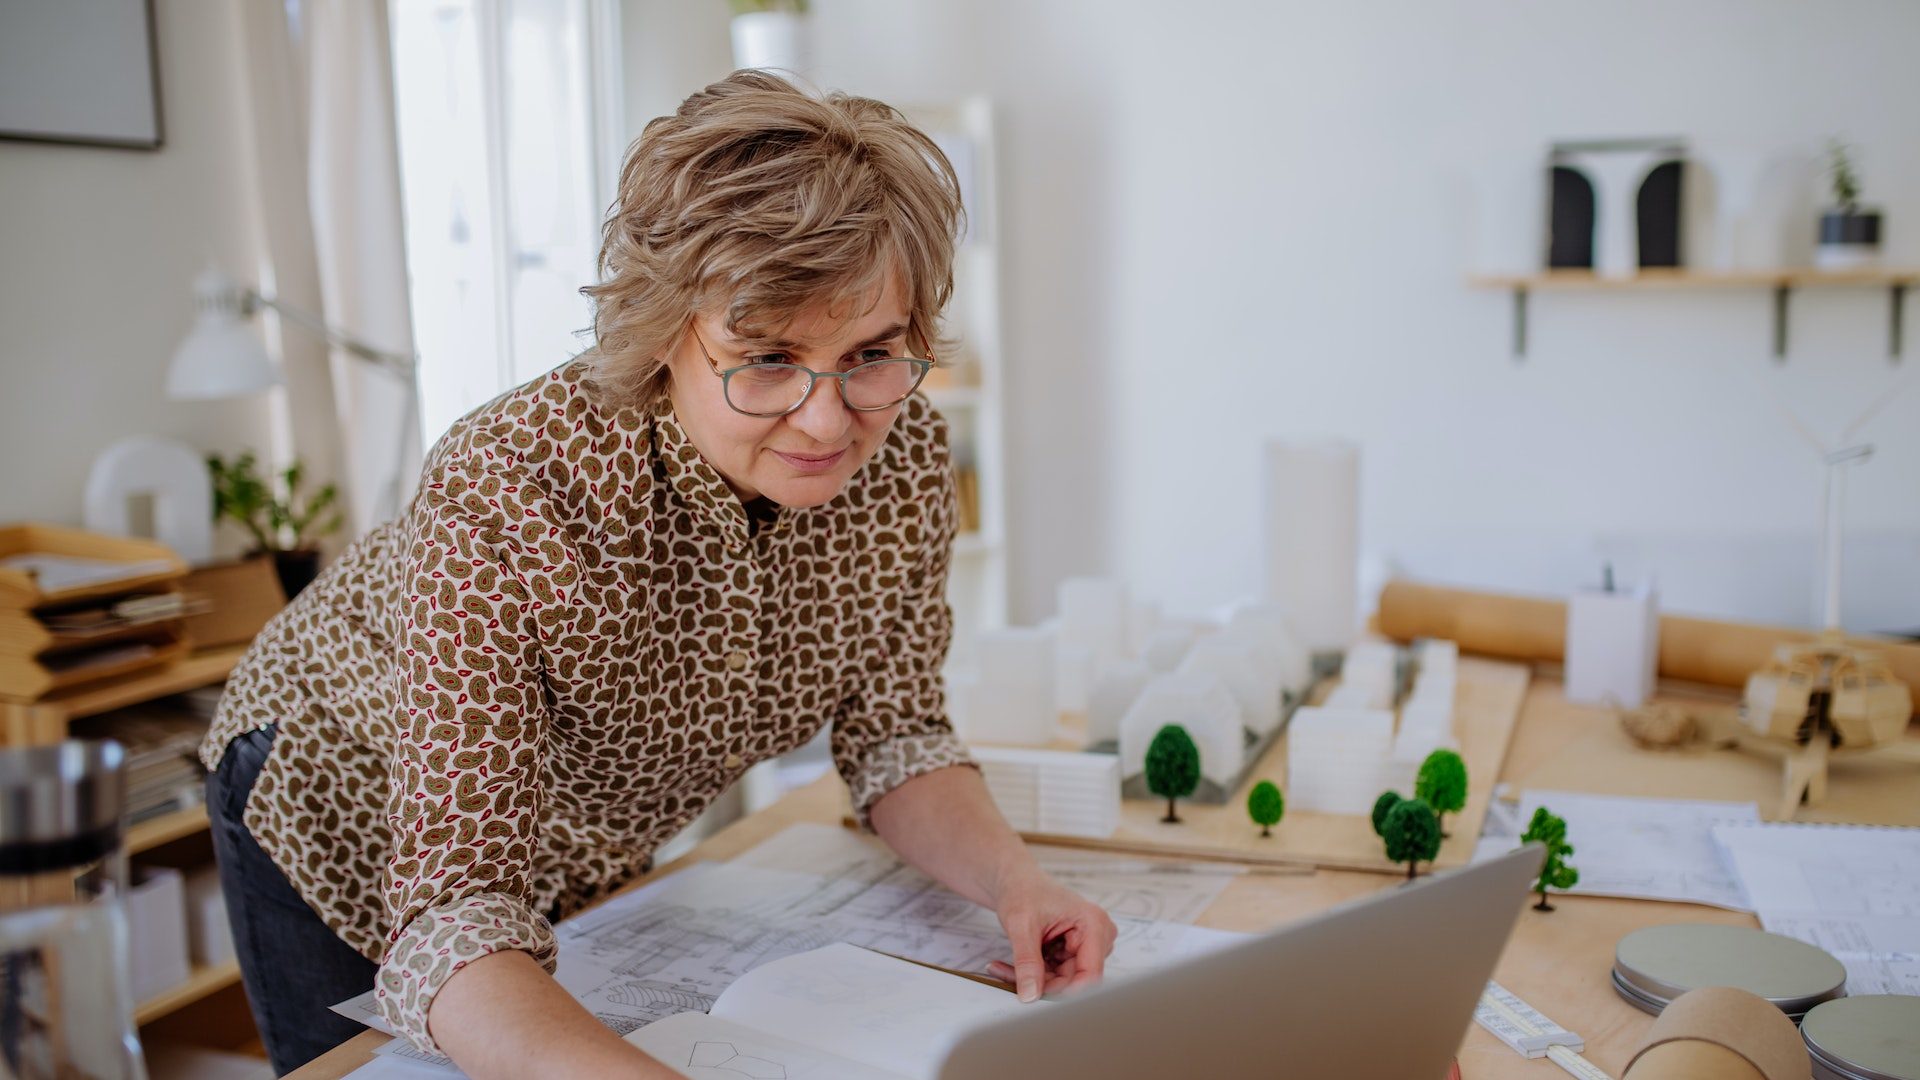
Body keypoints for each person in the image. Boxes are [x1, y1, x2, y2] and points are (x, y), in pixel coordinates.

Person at [200, 70, 1117, 1078]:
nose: (827, 418)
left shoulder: (902, 459)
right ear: (661, 331)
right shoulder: (516, 487)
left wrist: (1016, 883)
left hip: (581, 841)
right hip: (346, 809)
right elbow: (453, 913)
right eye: (767, 357)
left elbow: (896, 733)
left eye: (872, 353)